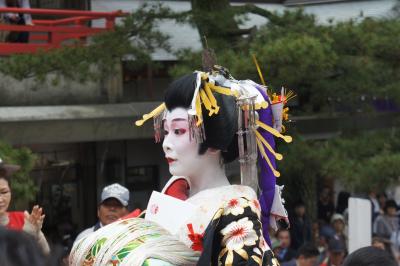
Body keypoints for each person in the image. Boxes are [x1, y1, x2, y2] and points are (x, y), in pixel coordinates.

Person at [70, 67, 291, 265]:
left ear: (213, 143)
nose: (166, 144)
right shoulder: (171, 197)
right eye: (166, 131)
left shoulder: (236, 209)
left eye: (179, 131)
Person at [0, 157, 50, 254]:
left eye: (4, 192)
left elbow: (45, 254)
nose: (0, 199)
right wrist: (25, 236)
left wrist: (37, 234)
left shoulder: (23, 219)